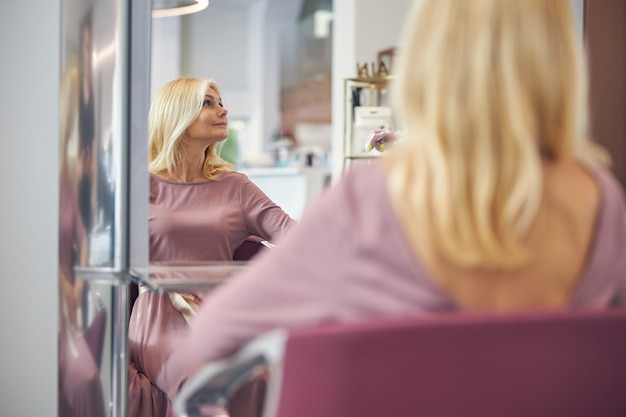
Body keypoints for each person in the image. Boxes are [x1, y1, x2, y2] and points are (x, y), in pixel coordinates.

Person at [163, 0, 626, 406]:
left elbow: (209, 336)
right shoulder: (602, 199)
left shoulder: (371, 200)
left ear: (430, 59)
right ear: (563, 60)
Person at [127, 76, 296, 417]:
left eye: (220, 103)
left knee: (257, 377)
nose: (223, 110)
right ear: (177, 114)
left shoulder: (236, 186)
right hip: (161, 314)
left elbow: (295, 237)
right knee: (205, 381)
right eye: (209, 103)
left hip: (224, 313)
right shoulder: (138, 185)